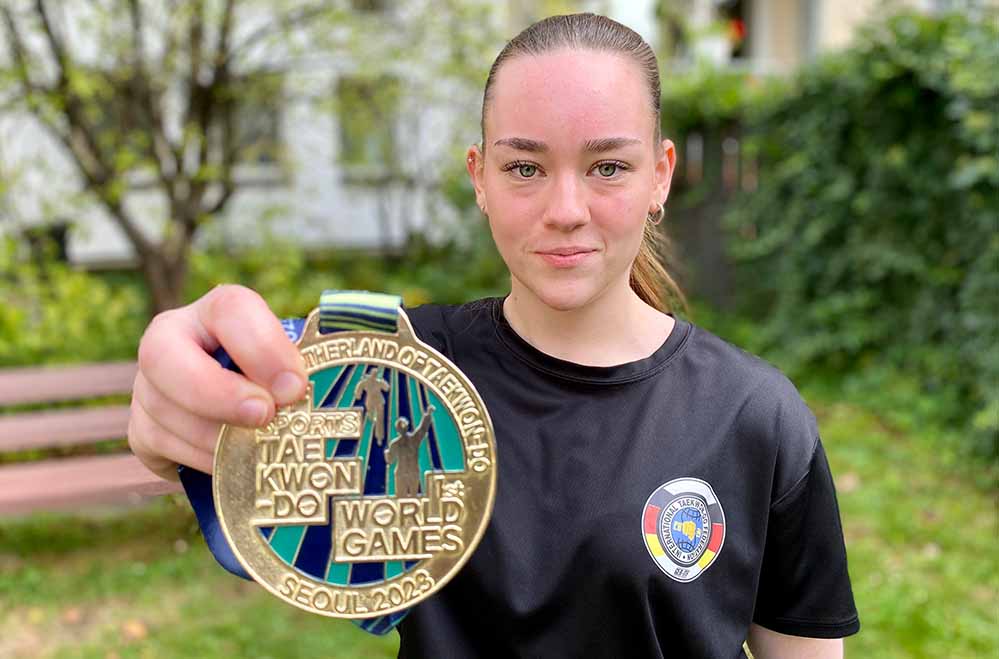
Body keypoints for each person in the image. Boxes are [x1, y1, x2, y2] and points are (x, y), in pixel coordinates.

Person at [128, 12, 860, 658]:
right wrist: (179, 398)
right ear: (479, 178)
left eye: (607, 166)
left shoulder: (753, 415)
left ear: (660, 176)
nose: (565, 207)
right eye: (524, 167)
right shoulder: (392, 369)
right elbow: (238, 441)